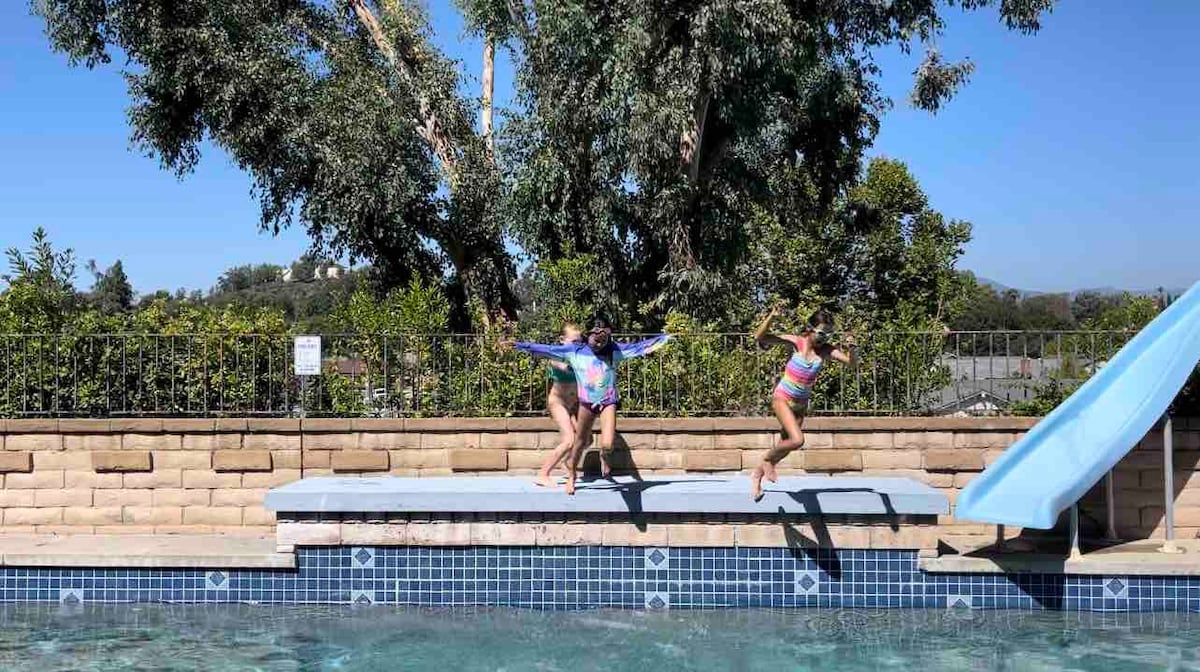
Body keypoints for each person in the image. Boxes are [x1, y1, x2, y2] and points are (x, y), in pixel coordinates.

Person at [510, 317, 671, 495]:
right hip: (581, 404)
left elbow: (638, 347)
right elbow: (545, 349)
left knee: (607, 443)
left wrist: (663, 338)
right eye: (596, 340)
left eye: (603, 340)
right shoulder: (574, 352)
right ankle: (570, 473)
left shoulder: (614, 351)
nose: (599, 344)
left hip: (607, 402)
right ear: (588, 337)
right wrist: (519, 345)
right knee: (577, 442)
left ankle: (604, 455)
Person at [751, 306, 855, 501]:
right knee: (798, 440)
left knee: (786, 445)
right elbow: (760, 336)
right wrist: (772, 317)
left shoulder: (825, 350)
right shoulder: (795, 342)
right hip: (783, 398)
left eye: (830, 334)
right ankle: (767, 460)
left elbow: (851, 364)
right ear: (810, 328)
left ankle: (757, 476)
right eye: (822, 332)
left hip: (800, 405)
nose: (825, 337)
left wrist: (851, 347)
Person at [529, 322, 586, 487]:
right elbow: (565, 367)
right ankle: (543, 474)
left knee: (586, 439)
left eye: (580, 342)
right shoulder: (556, 356)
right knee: (569, 440)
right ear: (562, 340)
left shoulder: (580, 356)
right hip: (558, 403)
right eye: (574, 341)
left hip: (573, 404)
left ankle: (566, 462)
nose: (577, 345)